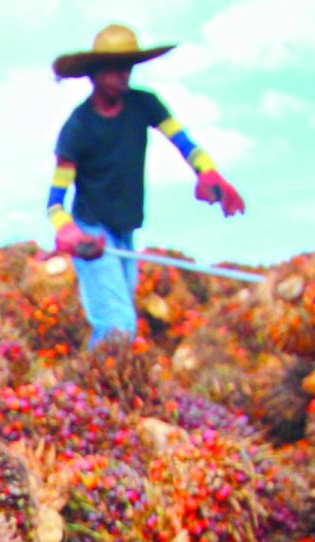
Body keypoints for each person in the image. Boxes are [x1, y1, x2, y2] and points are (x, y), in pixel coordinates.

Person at [46, 24, 246, 346]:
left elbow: (184, 142)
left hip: (125, 230)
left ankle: (95, 388)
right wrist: (68, 231)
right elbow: (55, 202)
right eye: (114, 69)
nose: (123, 76)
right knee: (117, 326)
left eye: (128, 68)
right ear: (94, 74)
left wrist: (207, 172)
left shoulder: (144, 104)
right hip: (92, 232)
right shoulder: (77, 127)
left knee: (124, 322)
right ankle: (89, 394)